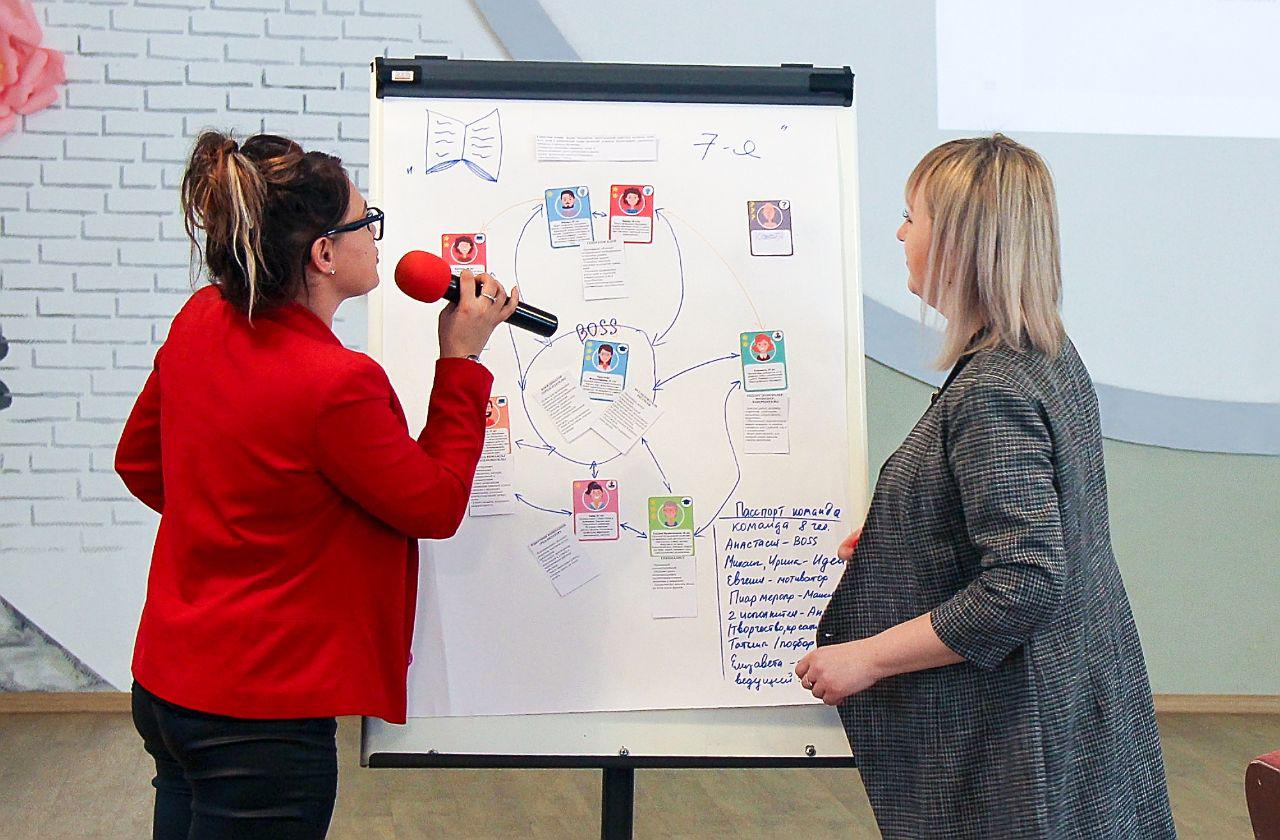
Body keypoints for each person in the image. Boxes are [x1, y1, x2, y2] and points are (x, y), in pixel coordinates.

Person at [116, 131, 518, 840]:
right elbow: (433, 504)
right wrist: (460, 360)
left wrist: (241, 530)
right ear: (324, 254)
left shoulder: (200, 319)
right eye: (367, 222)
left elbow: (141, 463)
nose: (377, 238)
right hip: (259, 720)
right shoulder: (336, 384)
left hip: (168, 687)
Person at [796, 134, 1175, 839]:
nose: (900, 235)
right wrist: (905, 532)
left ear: (958, 243)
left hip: (1017, 744)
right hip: (1070, 711)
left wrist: (863, 658)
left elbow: (1023, 583)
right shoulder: (1042, 353)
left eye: (911, 217)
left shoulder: (992, 389)